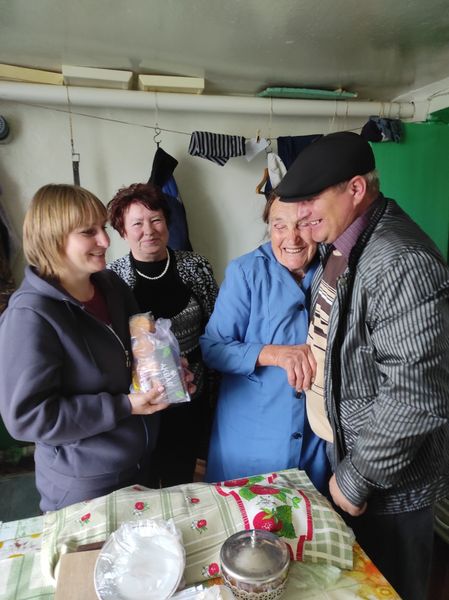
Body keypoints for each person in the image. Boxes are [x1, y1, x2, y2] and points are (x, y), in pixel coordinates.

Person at [275, 131, 449, 600]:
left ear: (356, 189)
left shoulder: (400, 261)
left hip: (389, 481)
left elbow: (415, 396)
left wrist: (357, 479)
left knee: (391, 589)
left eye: (311, 198)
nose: (300, 214)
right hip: (354, 459)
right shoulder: (343, 243)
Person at [0, 184, 194, 512]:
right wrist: (124, 406)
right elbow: (28, 418)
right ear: (52, 238)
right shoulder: (30, 315)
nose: (105, 240)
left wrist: (168, 370)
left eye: (102, 227)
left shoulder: (110, 285)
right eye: (88, 232)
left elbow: (140, 350)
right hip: (85, 484)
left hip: (138, 465)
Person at [200, 195, 331, 495]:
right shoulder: (246, 272)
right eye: (279, 226)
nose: (291, 238)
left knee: (308, 519)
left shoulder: (333, 268)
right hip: (252, 438)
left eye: (302, 225)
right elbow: (212, 348)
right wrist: (273, 354)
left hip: (314, 440)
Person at [107, 182, 219, 487]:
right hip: (140, 403)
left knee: (181, 479)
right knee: (140, 482)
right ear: (122, 232)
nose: (149, 230)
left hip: (192, 394)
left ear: (168, 223)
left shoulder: (196, 267)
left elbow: (217, 328)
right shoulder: (113, 278)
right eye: (137, 224)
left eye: (156, 220)